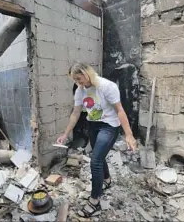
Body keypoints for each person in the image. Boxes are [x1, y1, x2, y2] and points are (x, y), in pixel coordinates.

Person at [56, 62, 137, 218]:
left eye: (79, 79)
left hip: (109, 125)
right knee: (99, 156)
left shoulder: (107, 86)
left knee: (95, 161)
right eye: (75, 80)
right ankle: (107, 179)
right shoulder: (80, 91)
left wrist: (128, 134)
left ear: (87, 73)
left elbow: (120, 110)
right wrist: (65, 134)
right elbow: (76, 113)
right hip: (93, 125)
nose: (78, 83)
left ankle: (95, 202)